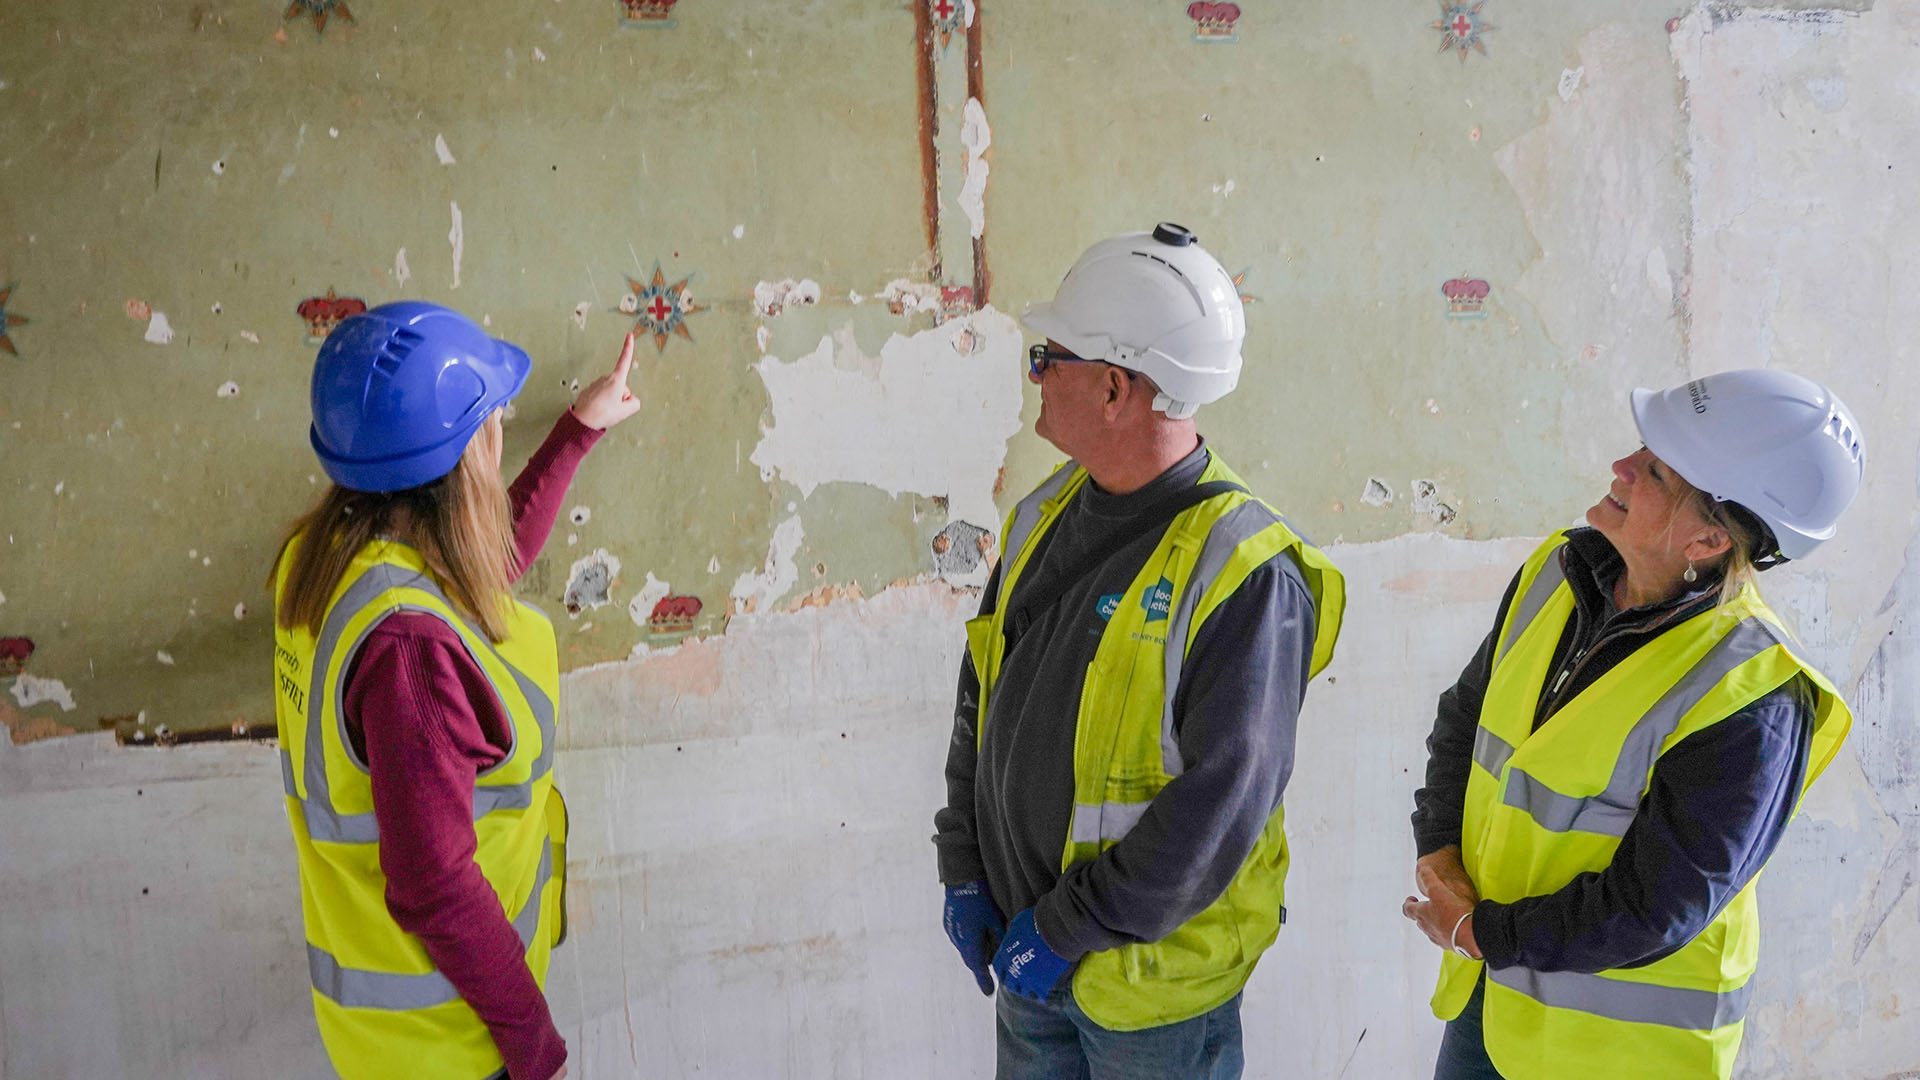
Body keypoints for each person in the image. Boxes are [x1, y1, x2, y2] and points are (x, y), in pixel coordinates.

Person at [933, 223, 1347, 1079]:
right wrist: (963, 864)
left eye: (1050, 357)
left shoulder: (1244, 571)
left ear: (1116, 388)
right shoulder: (1043, 513)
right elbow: (983, 689)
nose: (1035, 375)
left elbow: (1216, 812)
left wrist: (1061, 930)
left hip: (1148, 999)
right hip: (1030, 961)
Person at [1402, 370, 1866, 1080]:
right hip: (1493, 1001)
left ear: (1708, 537)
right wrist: (1438, 848)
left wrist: (1481, 931)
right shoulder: (1559, 573)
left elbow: (1656, 905)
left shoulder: (1754, 696)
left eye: (1653, 470)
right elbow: (1467, 718)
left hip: (1618, 1055)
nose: (1621, 466)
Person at [269, 302, 642, 1080]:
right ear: (472, 447)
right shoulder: (408, 650)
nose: (499, 429)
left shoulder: (327, 561)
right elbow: (435, 888)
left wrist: (578, 430)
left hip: (386, 1032)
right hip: (451, 1043)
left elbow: (478, 567)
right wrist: (538, 1053)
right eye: (493, 418)